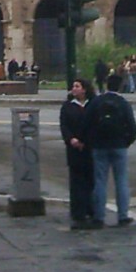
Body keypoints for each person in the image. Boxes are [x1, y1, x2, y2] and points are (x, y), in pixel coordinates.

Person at [84, 72, 136, 228]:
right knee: (121, 180)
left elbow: (86, 123)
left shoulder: (96, 102)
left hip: (99, 146)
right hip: (119, 145)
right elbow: (133, 127)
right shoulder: (123, 103)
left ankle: (99, 216)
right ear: (120, 86)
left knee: (100, 181)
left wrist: (92, 141)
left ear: (106, 85)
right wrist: (126, 142)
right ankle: (123, 216)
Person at [60, 78, 96, 230]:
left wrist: (85, 141)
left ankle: (91, 209)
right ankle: (77, 211)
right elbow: (64, 126)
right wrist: (71, 140)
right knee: (76, 181)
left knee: (90, 180)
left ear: (84, 89)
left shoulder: (93, 105)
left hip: (89, 148)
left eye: (77, 86)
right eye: (73, 86)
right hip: (74, 149)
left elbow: (95, 125)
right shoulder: (68, 107)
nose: (73, 89)